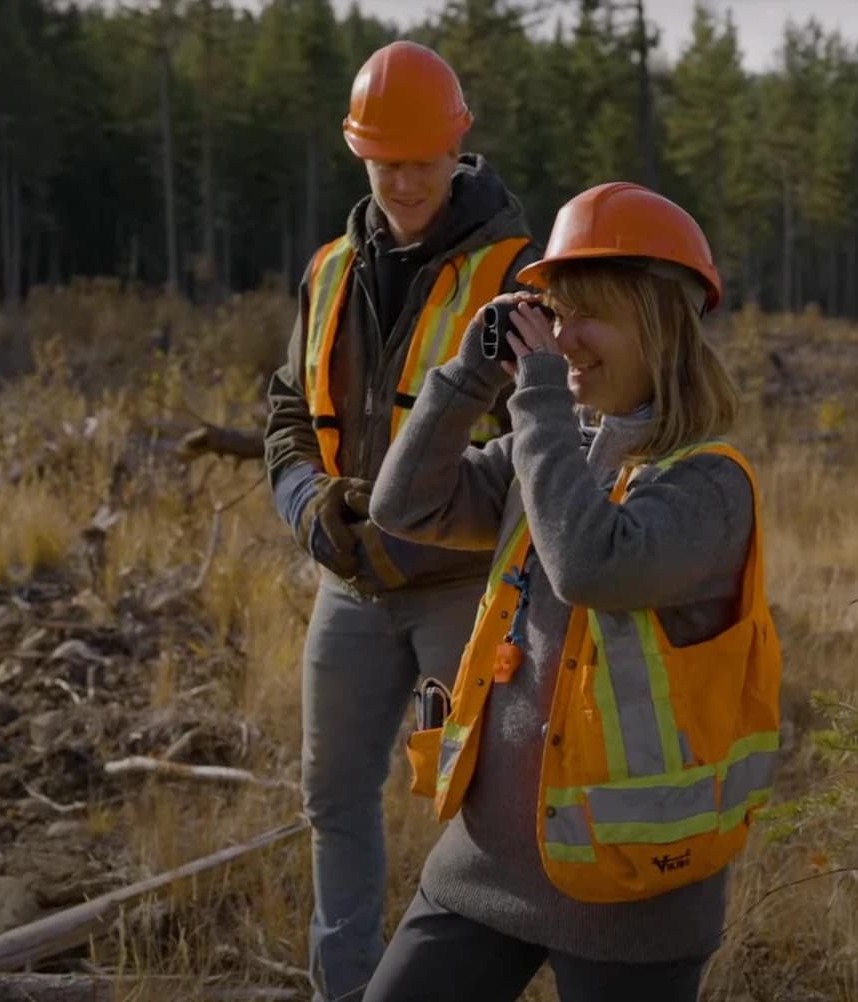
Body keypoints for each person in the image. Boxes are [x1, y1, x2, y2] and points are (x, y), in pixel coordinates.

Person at [363, 181, 783, 1002]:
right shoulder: (551, 447)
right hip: (484, 871)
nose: (562, 338)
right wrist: (470, 374)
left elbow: (592, 566)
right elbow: (404, 504)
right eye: (551, 316)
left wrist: (543, 399)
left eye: (586, 315)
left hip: (634, 901)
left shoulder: (709, 488)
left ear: (658, 327)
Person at [261, 40, 541, 1002]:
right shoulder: (330, 269)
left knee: (489, 820)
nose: (406, 181)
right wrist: (310, 512)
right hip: (348, 590)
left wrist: (431, 516)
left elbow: (551, 447)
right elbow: (288, 418)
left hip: (467, 596)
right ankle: (346, 991)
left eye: (423, 161)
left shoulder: (520, 275)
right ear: (358, 153)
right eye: (388, 162)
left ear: (457, 150)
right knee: (333, 802)